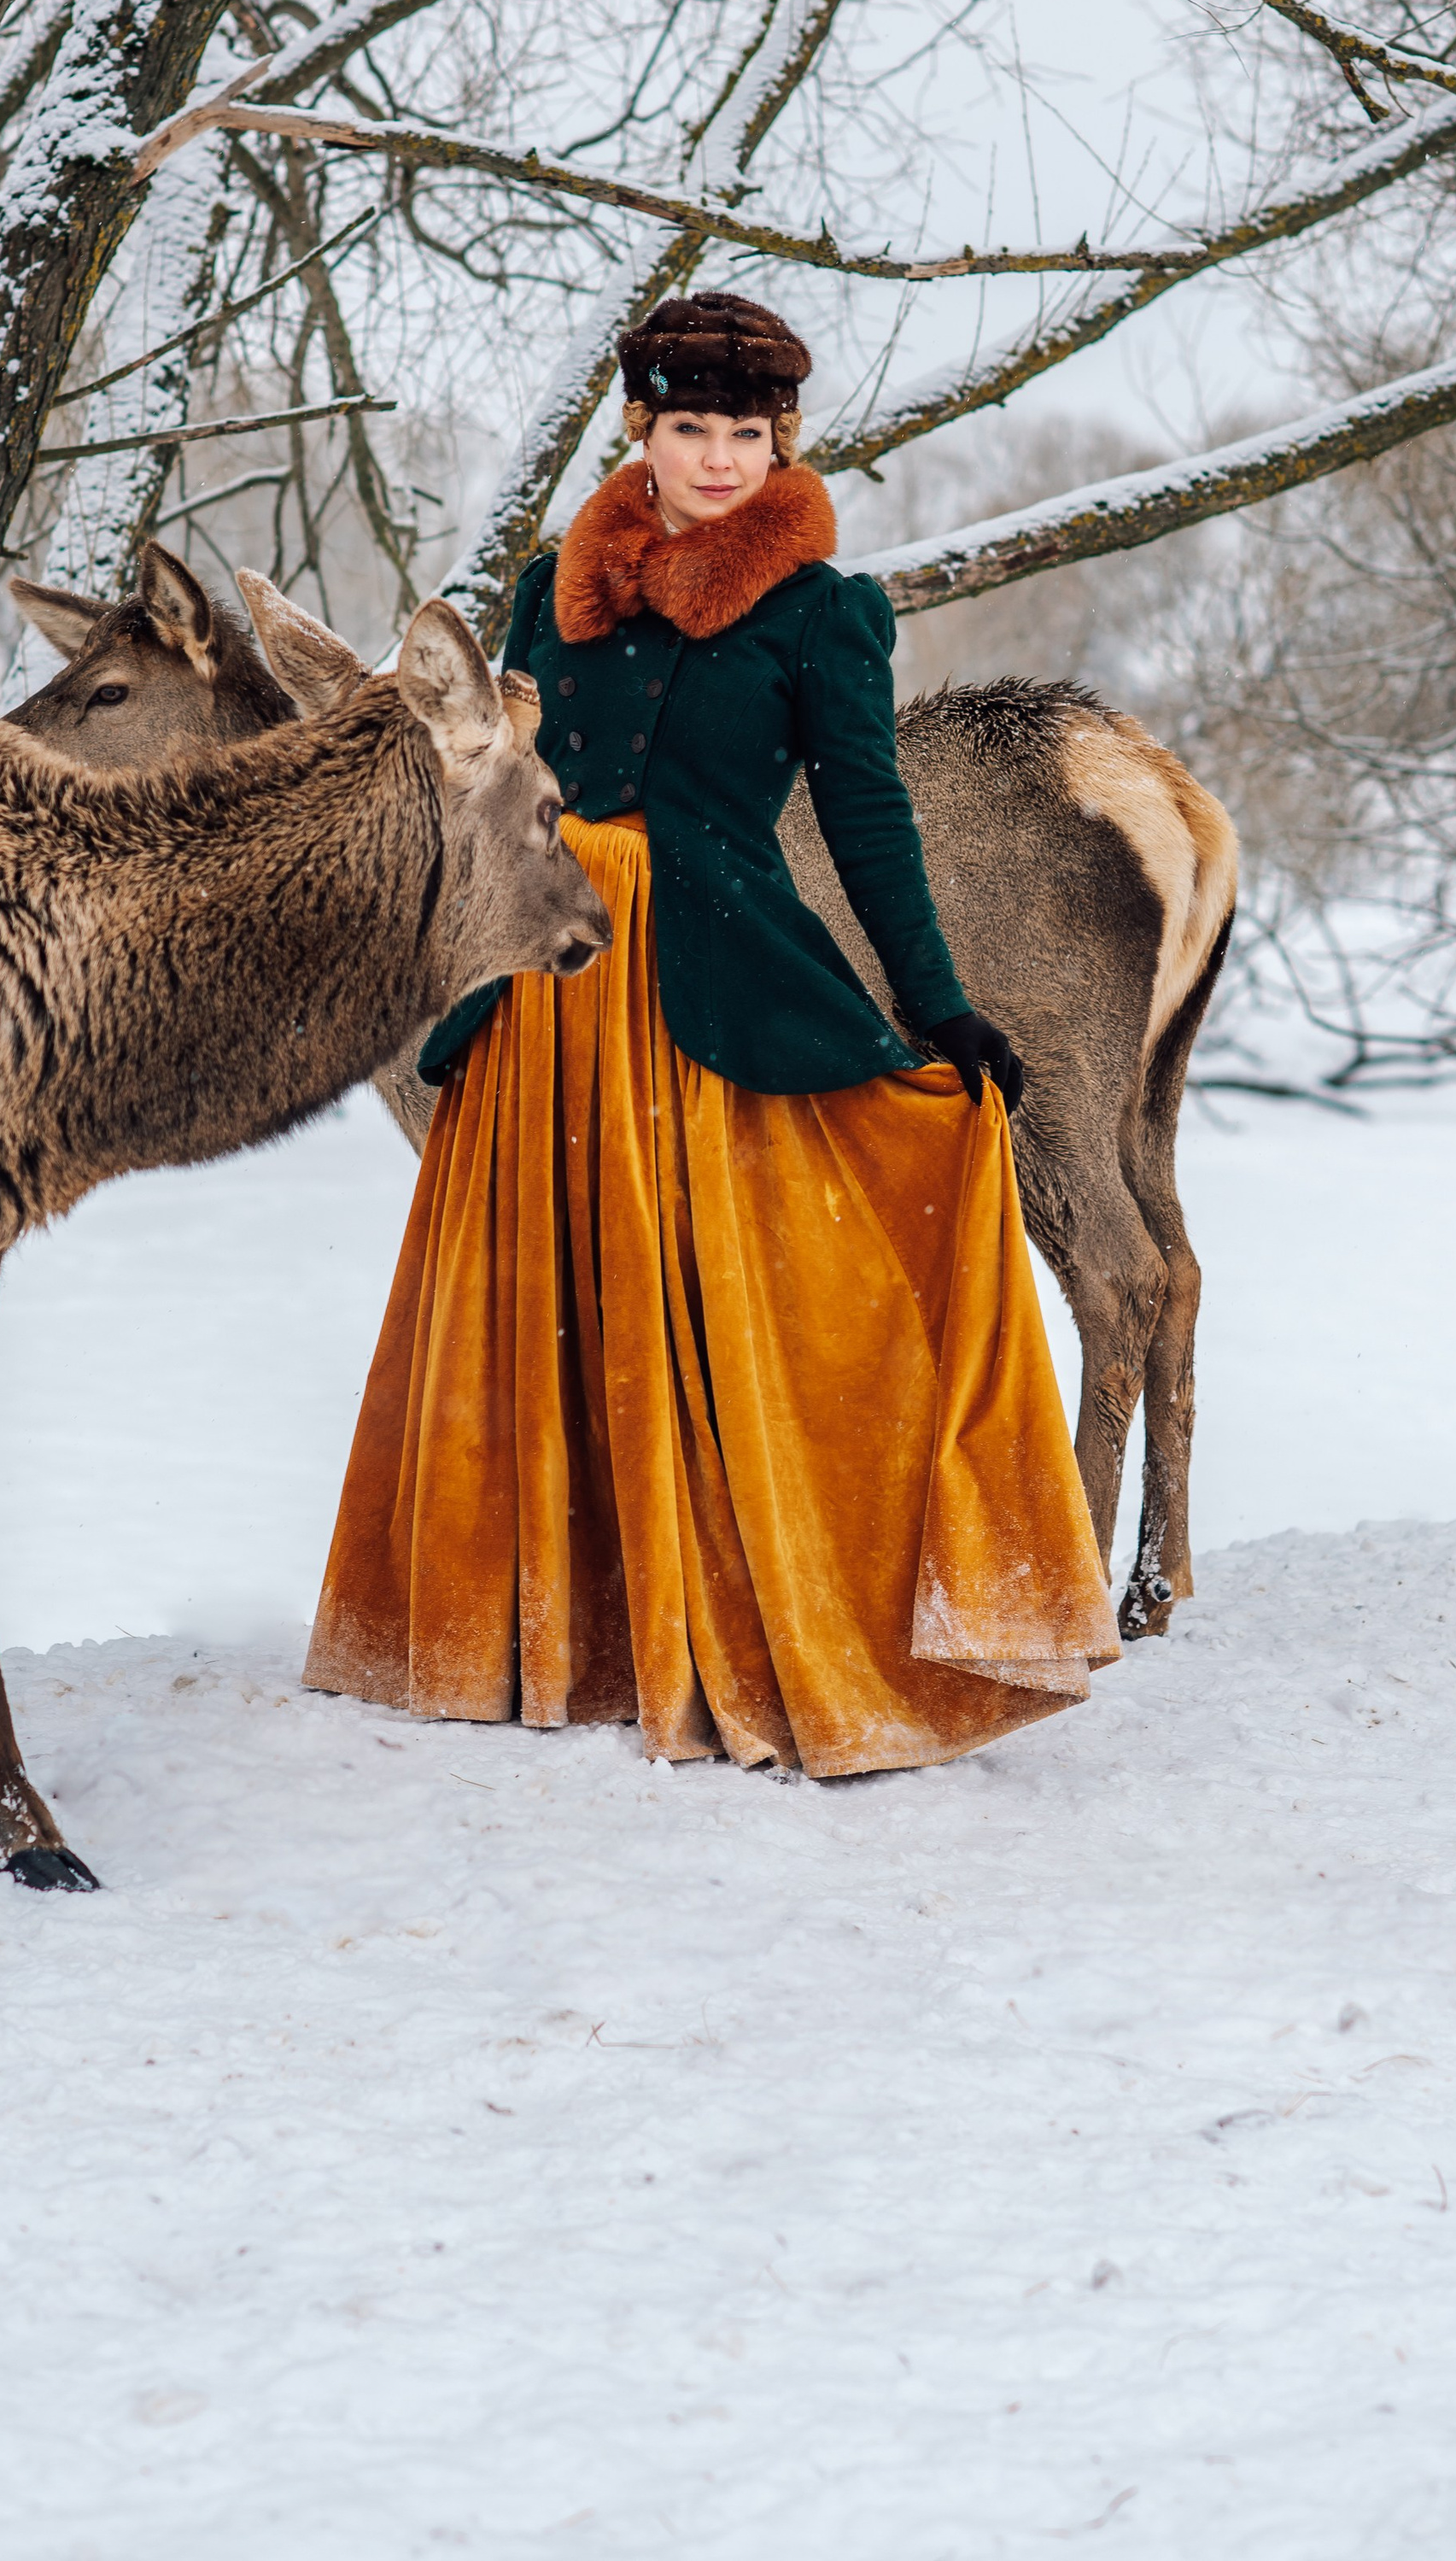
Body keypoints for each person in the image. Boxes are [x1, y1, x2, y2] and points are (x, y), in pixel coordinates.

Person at [304, 290, 1118, 1775]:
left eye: (750, 433)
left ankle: (745, 1615)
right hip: (547, 981)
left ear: (781, 439)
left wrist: (934, 1000)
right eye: (693, 429)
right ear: (642, 428)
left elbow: (868, 818)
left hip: (714, 980)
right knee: (544, 1308)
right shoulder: (555, 586)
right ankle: (553, 1630)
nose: (723, 458)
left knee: (745, 1317)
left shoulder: (824, 613)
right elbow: (485, 782)